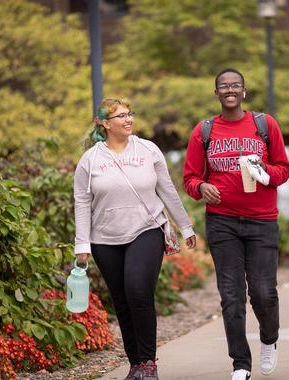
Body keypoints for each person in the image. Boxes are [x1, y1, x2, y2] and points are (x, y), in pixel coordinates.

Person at [73, 98, 197, 380]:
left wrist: (185, 226)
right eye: (121, 116)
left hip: (146, 229)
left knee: (138, 291)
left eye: (130, 114)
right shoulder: (90, 160)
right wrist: (82, 244)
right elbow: (81, 202)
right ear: (105, 124)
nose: (128, 120)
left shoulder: (148, 149)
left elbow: (167, 190)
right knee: (122, 300)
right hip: (105, 239)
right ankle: (135, 364)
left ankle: (149, 363)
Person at [183, 68, 289, 380]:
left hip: (262, 222)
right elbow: (190, 177)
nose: (230, 90)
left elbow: (284, 168)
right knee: (231, 296)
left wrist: (265, 172)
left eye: (235, 85)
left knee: (263, 292)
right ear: (216, 93)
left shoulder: (264, 125)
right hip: (222, 222)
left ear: (244, 92)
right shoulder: (203, 131)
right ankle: (240, 365)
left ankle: (269, 339)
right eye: (223, 86)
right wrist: (202, 188)